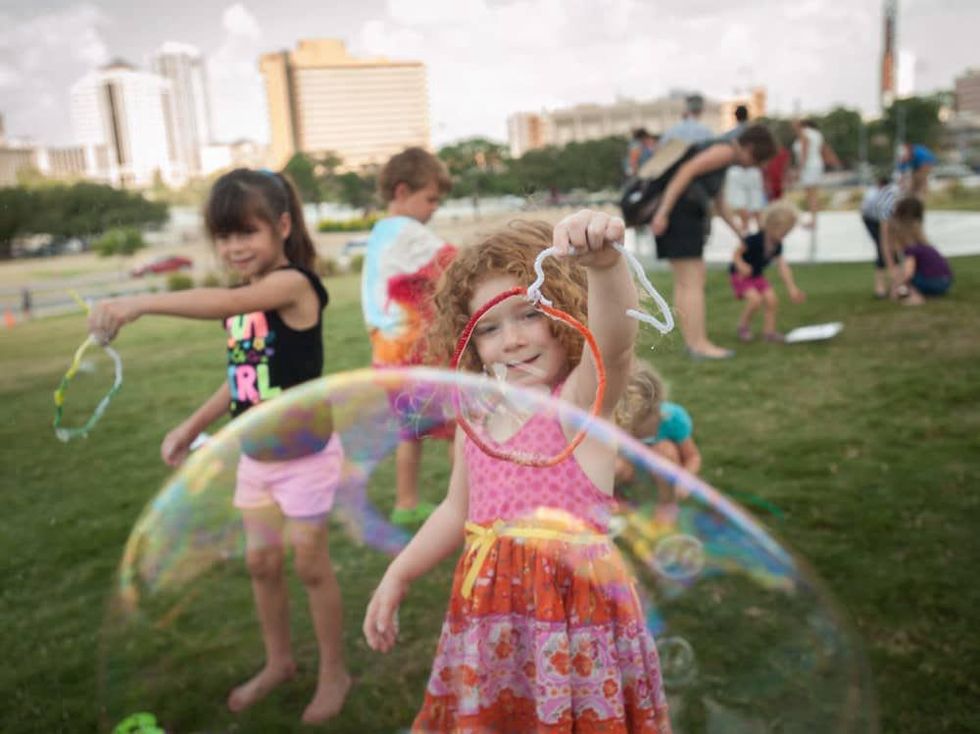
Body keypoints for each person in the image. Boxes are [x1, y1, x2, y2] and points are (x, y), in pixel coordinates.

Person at [363, 210, 672, 732]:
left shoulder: (579, 405)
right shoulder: (476, 420)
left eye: (528, 314)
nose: (510, 341)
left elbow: (614, 345)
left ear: (565, 312)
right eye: (487, 328)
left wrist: (602, 266)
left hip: (572, 620)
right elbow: (456, 511)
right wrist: (400, 573)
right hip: (490, 619)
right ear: (470, 343)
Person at [87, 168, 351, 725]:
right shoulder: (244, 300)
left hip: (305, 456)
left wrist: (140, 303)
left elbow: (221, 305)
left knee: (310, 565)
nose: (234, 246)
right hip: (256, 457)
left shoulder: (294, 284)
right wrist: (190, 425)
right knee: (260, 562)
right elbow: (243, 375)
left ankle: (335, 673)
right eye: (224, 236)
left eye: (246, 232)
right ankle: (279, 662)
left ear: (282, 227)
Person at [362, 147, 457, 527]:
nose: (435, 208)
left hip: (387, 358)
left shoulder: (380, 233)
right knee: (458, 431)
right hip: (417, 356)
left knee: (410, 433)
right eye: (430, 198)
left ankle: (406, 504)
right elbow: (455, 263)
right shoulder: (407, 232)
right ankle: (467, 501)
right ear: (402, 192)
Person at [651, 124, 778, 359]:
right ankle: (698, 345)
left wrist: (738, 232)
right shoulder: (725, 151)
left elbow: (719, 200)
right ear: (749, 148)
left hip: (683, 217)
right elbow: (685, 172)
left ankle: (694, 342)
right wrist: (663, 213)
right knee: (691, 281)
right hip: (681, 217)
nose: (754, 166)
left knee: (689, 280)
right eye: (757, 159)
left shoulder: (724, 158)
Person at [614, 361, 701, 519]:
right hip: (632, 467)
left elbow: (693, 457)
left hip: (663, 469)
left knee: (665, 449)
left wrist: (686, 479)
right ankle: (618, 499)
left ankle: (667, 503)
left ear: (657, 407)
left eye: (644, 423)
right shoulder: (617, 423)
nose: (636, 429)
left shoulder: (672, 418)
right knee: (613, 464)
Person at [730, 201, 806, 342]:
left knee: (772, 300)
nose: (786, 234)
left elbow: (783, 267)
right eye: (784, 231)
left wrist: (792, 288)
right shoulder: (754, 239)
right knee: (755, 300)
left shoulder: (777, 245)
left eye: (788, 231)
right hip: (741, 276)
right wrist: (740, 264)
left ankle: (769, 333)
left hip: (757, 276)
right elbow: (736, 253)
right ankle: (743, 326)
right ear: (771, 225)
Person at [886, 197, 953, 305]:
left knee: (909, 278)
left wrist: (897, 284)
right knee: (917, 275)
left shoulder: (911, 250)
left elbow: (908, 273)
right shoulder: (926, 247)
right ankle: (930, 294)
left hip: (932, 282)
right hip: (946, 282)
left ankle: (916, 297)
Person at [724, 106, 766, 233]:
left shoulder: (731, 134)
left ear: (735, 117)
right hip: (754, 170)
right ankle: (760, 229)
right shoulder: (756, 132)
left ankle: (745, 229)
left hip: (737, 170)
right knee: (756, 201)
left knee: (740, 202)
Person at [860, 175, 901, 298]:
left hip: (881, 215)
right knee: (882, 248)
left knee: (894, 247)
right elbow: (884, 243)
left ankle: (898, 284)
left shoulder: (900, 197)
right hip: (871, 219)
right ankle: (882, 287)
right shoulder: (885, 206)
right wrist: (891, 267)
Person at [791, 119, 829, 230]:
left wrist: (799, 169)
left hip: (809, 166)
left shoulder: (805, 133)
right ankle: (813, 219)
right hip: (816, 164)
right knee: (814, 194)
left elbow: (804, 151)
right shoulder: (817, 134)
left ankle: (813, 221)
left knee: (810, 195)